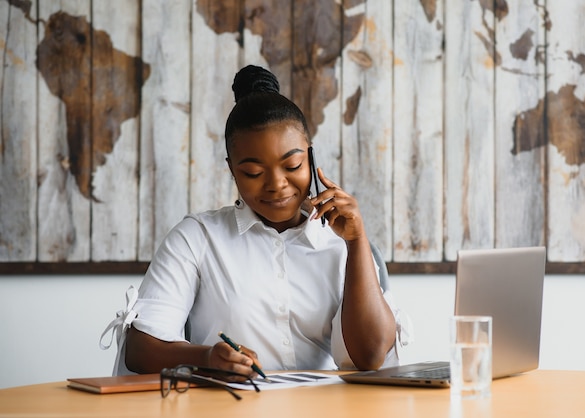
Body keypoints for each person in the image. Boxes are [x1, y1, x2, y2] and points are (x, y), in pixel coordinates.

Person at [102, 65, 408, 378]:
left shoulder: (340, 243)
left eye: (292, 165)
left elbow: (369, 357)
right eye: (253, 173)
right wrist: (207, 357)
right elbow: (140, 349)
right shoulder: (197, 238)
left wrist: (356, 242)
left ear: (311, 157)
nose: (276, 184)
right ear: (232, 170)